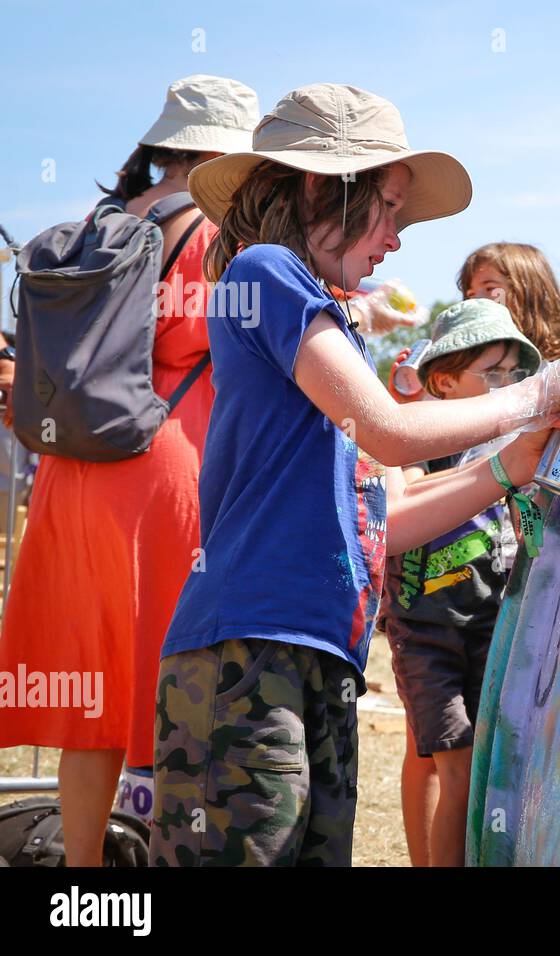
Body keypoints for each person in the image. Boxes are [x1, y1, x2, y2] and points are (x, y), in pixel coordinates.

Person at [150, 83, 560, 867]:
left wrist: (508, 470)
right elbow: (390, 431)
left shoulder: (314, 314)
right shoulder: (265, 271)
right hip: (248, 651)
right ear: (321, 186)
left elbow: (383, 515)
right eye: (389, 209)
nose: (398, 240)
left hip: (313, 654)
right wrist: (544, 388)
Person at [0, 75, 260, 866]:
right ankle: (166, 857)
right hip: (163, 469)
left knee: (93, 691)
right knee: (175, 680)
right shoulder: (216, 234)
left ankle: (85, 879)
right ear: (218, 151)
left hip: (71, 473)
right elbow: (240, 351)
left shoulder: (98, 224)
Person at [380, 298, 540, 866]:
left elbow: (528, 532)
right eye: (491, 374)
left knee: (485, 775)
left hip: (488, 627)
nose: (507, 386)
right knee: (459, 770)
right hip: (427, 638)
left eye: (514, 375)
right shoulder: (416, 444)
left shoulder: (509, 447)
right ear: (444, 382)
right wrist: (404, 404)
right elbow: (400, 491)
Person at [458, 242, 560, 360]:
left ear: (529, 293)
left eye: (490, 288)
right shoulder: (465, 367)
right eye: (470, 294)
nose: (476, 300)